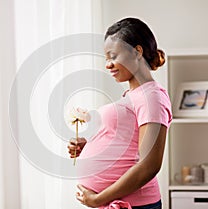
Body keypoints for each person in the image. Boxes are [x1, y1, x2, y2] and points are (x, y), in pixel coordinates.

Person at [68, 17, 172, 209]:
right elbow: (129, 144)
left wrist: (98, 199)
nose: (108, 65)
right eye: (106, 59)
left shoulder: (152, 97)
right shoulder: (135, 95)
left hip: (135, 204)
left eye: (113, 56)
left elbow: (150, 165)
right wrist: (90, 147)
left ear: (137, 52)